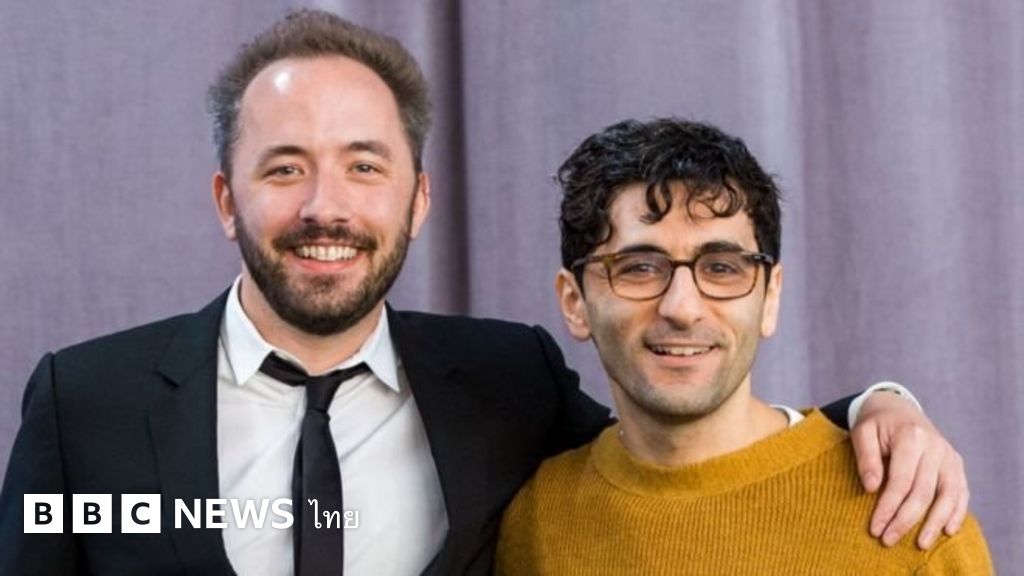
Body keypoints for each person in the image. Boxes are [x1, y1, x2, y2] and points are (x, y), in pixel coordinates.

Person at [0, 10, 967, 576]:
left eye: (365, 166)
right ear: (226, 198)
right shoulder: (85, 408)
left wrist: (878, 408)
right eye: (285, 167)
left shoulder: (507, 383)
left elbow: (686, 430)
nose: (326, 206)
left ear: (418, 199)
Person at [495, 118, 993, 574]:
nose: (682, 307)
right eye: (639, 268)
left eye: (722, 268)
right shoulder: (536, 520)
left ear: (770, 297)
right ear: (575, 303)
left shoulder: (910, 516)